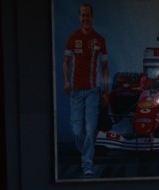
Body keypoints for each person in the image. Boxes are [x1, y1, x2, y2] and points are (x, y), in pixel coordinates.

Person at [61, 3, 108, 178]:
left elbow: (104, 67)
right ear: (80, 17)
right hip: (75, 92)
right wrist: (66, 82)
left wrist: (106, 91)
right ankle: (85, 152)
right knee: (76, 131)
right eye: (83, 15)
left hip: (93, 92)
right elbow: (65, 62)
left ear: (92, 17)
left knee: (90, 129)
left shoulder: (100, 40)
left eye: (88, 15)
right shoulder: (73, 37)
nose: (85, 18)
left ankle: (87, 163)